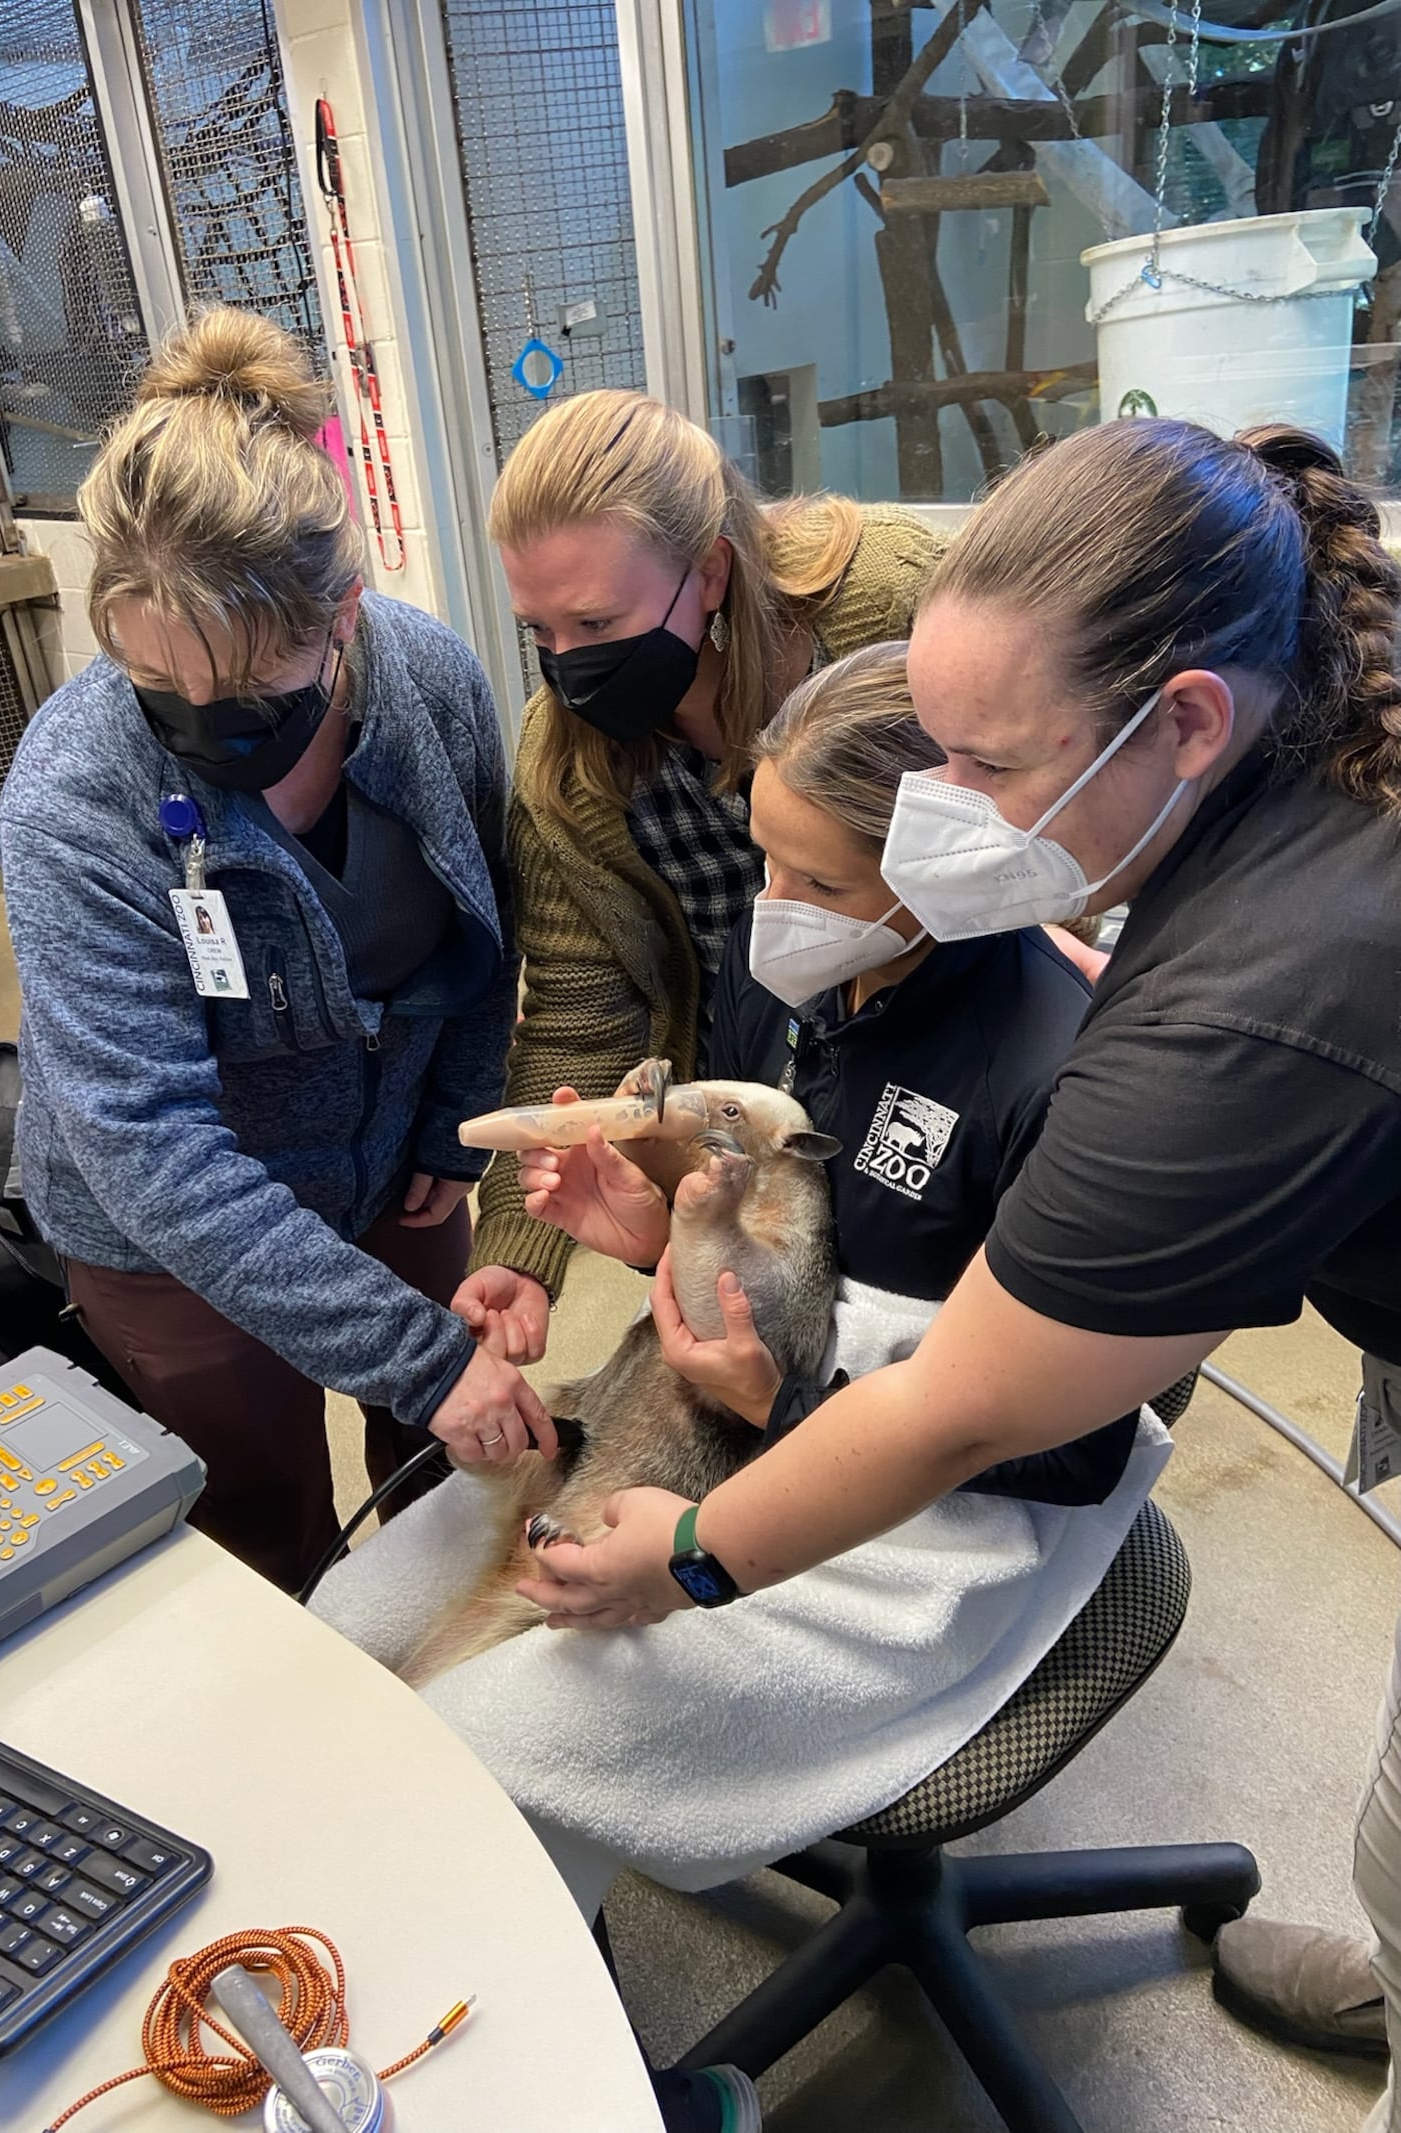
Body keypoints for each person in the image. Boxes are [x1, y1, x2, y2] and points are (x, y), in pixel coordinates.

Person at [507, 416, 1401, 2128]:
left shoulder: (1220, 1029)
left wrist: (693, 1552)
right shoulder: (1304, 713)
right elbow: (825, 1207)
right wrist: (685, 1215)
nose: (940, 822)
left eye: (983, 766)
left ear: (1189, 722)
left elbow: (983, 1411)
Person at [313, 643, 1169, 2132]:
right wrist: (662, 1236)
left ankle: (583, 2096)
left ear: (953, 869)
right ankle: (483, 2028)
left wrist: (782, 1412)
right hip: (736, 1407)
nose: (776, 912)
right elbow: (786, 1247)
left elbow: (1072, 1448)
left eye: (822, 883)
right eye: (766, 857)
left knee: (488, 1750)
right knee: (351, 1639)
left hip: (940, 1503)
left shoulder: (1075, 1077)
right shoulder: (806, 992)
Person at [0, 309, 555, 1597]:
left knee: (442, 1483)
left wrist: (453, 1124)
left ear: (343, 616)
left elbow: (490, 928)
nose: (202, 722)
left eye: (246, 689)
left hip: (395, 1176)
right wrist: (414, 1353)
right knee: (260, 1532)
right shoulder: (72, 801)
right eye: (154, 683)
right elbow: (148, 1142)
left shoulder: (431, 681)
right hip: (174, 1237)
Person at [457, 389, 941, 1367]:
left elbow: (1045, 827)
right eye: (538, 632)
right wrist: (519, 1243)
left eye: (596, 618)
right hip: (747, 1098)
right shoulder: (569, 759)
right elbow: (577, 1015)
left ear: (709, 571)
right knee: (778, 1365)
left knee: (956, 1368)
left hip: (946, 1062)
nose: (569, 664)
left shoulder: (898, 606)